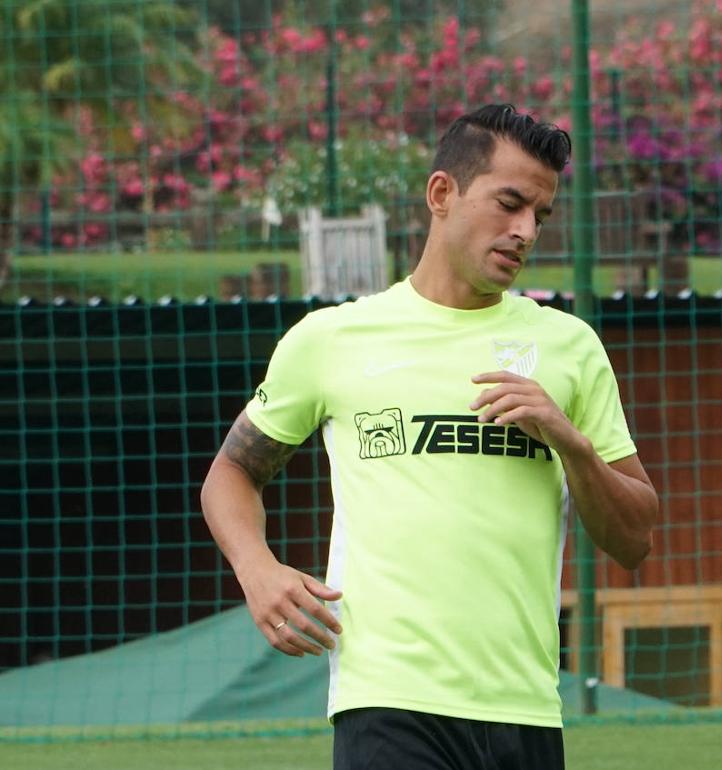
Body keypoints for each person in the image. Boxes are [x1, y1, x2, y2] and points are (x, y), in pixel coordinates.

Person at [200, 104, 659, 770]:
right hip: (387, 700)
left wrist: (570, 441)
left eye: (541, 215)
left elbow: (635, 537)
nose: (525, 231)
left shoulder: (569, 348)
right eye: (509, 204)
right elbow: (230, 475)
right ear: (442, 193)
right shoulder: (332, 339)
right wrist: (257, 569)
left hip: (524, 708)